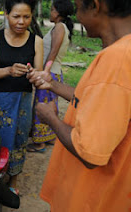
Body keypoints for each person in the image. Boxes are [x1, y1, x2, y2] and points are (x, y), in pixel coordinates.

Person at [27, 0, 131, 211]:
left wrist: (51, 119)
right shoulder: (123, 53)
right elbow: (99, 102)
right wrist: (53, 85)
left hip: (93, 200)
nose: (77, 18)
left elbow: (89, 153)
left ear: (95, 5)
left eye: (77, 7)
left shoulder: (117, 60)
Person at [0, 0, 43, 193]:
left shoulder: (37, 41)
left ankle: (13, 180)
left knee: (19, 140)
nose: (21, 21)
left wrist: (32, 74)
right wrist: (9, 70)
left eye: (26, 17)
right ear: (6, 14)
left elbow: (39, 77)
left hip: (23, 101)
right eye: (16, 16)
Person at [27, 0, 74, 152]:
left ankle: (39, 142)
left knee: (42, 106)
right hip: (54, 72)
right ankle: (50, 137)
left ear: (58, 12)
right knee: (50, 105)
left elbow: (53, 52)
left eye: (52, 9)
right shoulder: (60, 27)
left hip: (51, 72)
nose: (50, 12)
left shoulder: (60, 27)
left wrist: (45, 72)